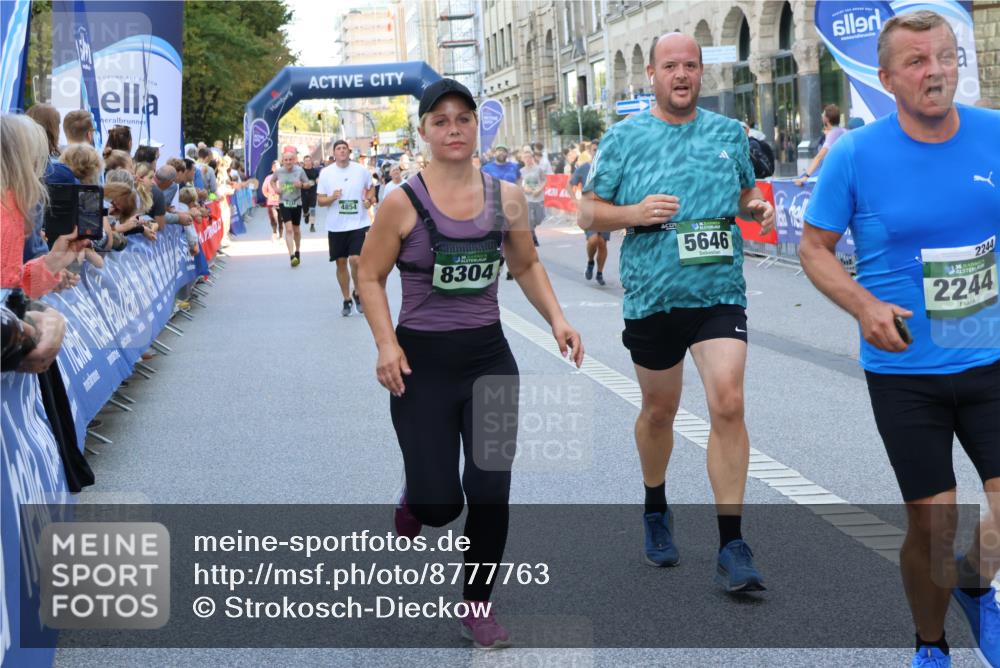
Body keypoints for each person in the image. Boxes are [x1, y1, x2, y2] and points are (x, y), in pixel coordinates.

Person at [799, 11, 1000, 668]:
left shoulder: (996, 135)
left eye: (944, 56)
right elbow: (815, 247)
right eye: (916, 61)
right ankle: (932, 642)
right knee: (933, 526)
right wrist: (863, 305)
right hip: (906, 368)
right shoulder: (857, 153)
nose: (935, 70)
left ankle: (974, 579)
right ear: (886, 78)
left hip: (991, 355)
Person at [356, 78, 583, 649]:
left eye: (464, 118)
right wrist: (386, 344)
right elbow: (369, 275)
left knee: (490, 489)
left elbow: (527, 266)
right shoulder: (400, 203)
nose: (454, 129)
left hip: (489, 358)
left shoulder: (504, 198)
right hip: (421, 364)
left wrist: (558, 319)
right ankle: (415, 497)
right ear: (424, 131)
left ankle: (477, 602)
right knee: (439, 506)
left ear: (476, 126)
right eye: (441, 120)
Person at [579, 32, 775, 589]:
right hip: (653, 295)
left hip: (718, 292)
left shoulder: (727, 134)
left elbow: (740, 195)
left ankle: (732, 544)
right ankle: (655, 506)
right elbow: (587, 214)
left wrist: (754, 204)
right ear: (652, 74)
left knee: (728, 402)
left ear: (700, 73)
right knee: (660, 411)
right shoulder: (623, 139)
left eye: (690, 65)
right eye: (671, 66)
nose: (682, 75)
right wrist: (635, 212)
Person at [316, 139, 374, 316]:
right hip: (336, 225)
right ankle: (347, 298)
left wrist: (369, 199)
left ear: (349, 152)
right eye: (338, 149)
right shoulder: (326, 173)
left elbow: (371, 189)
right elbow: (320, 201)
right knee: (341, 263)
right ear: (334, 153)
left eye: (344, 148)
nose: (342, 151)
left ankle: (357, 291)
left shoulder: (360, 170)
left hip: (358, 222)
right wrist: (332, 197)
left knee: (356, 260)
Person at [571, 149, 609, 285]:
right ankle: (590, 262)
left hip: (605, 209)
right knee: (593, 240)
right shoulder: (584, 168)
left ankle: (599, 273)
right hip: (588, 211)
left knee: (602, 243)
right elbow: (570, 185)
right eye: (594, 150)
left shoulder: (610, 167)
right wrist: (575, 201)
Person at [795, 104, 846, 185]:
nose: (822, 116)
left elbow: (819, 157)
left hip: (834, 173)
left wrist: (806, 176)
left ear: (826, 119)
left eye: (823, 114)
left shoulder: (833, 134)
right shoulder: (844, 131)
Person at [275, 150, 309, 267]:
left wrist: (302, 185)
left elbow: (308, 183)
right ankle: (291, 256)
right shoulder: (279, 171)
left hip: (297, 202)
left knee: (296, 230)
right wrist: (276, 189)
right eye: (286, 160)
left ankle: (297, 251)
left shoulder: (299, 170)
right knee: (288, 229)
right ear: (282, 161)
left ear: (294, 160)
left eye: (290, 159)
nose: (288, 162)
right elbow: (272, 181)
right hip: (284, 202)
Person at [261, 160, 281, 241]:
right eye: (275, 167)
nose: (276, 168)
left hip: (282, 202)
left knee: (281, 219)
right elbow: (264, 189)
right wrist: (269, 196)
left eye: (278, 167)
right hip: (271, 202)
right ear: (272, 169)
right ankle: (274, 232)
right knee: (273, 218)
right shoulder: (268, 178)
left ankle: (281, 236)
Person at [301, 154, 320, 232]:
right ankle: (306, 214)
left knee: (312, 208)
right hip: (303, 192)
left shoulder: (315, 170)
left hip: (313, 192)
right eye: (306, 161)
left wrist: (317, 180)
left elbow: (318, 178)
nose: (308, 162)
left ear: (311, 161)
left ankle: (312, 225)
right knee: (305, 208)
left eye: (309, 160)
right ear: (304, 162)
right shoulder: (301, 171)